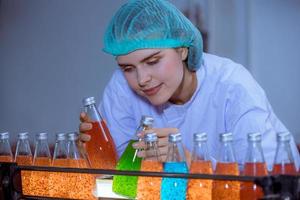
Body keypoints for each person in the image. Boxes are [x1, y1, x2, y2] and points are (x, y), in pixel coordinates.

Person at [79, 0, 299, 170]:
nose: (141, 79)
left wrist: (191, 163)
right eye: (128, 68)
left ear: (183, 49)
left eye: (153, 61)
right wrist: (92, 154)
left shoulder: (233, 86)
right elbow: (118, 172)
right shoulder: (121, 87)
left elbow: (268, 177)